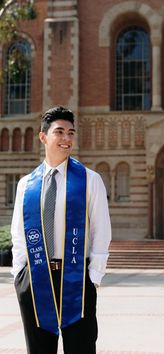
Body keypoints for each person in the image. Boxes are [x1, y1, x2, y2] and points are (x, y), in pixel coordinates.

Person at [11, 106, 112, 354]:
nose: (67, 139)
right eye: (60, 132)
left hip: (77, 278)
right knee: (39, 349)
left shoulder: (90, 180)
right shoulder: (26, 185)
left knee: (81, 347)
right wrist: (20, 276)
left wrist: (94, 278)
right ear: (43, 136)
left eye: (71, 133)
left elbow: (101, 230)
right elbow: (18, 234)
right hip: (35, 278)